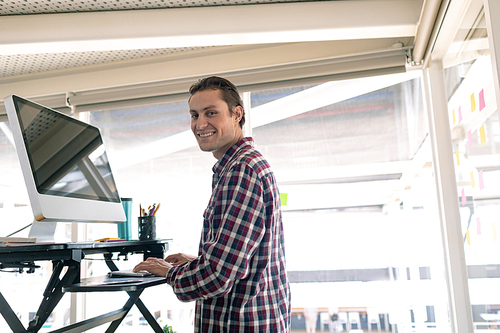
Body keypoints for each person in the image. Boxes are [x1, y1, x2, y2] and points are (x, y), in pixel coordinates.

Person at [134, 76, 291, 332]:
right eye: (194, 115)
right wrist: (197, 262)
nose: (200, 123)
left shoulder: (242, 170)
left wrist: (168, 272)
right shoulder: (237, 166)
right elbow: (240, 260)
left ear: (236, 114)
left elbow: (218, 276)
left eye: (211, 113)